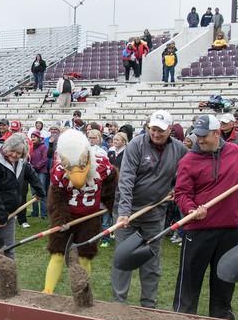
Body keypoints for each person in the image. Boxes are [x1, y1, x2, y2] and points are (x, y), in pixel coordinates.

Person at [173, 114, 238, 319]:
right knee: (189, 278)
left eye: (204, 136)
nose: (201, 140)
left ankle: (221, 319)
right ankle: (181, 319)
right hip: (197, 229)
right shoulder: (189, 160)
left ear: (216, 133)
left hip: (229, 229)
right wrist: (191, 209)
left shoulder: (234, 151)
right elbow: (181, 193)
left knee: (225, 277)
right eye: (198, 136)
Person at [113, 111, 186, 307]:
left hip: (155, 214)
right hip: (128, 213)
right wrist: (124, 213)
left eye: (161, 130)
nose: (156, 133)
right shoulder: (136, 145)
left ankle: (148, 304)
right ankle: (118, 303)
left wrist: (175, 189)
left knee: (151, 262)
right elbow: (126, 180)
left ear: (170, 130)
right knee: (123, 258)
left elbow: (187, 174)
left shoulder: (179, 149)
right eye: (153, 129)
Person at [45, 129, 117, 294]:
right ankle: (47, 292)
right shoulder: (59, 170)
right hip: (67, 216)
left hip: (90, 217)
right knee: (57, 253)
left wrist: (113, 207)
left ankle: (83, 292)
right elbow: (57, 199)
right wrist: (60, 220)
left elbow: (111, 187)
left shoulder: (102, 164)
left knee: (85, 255)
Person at [0, 133, 45, 283]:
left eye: (19, 153)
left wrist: (40, 190)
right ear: (6, 148)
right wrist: (0, 214)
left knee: (7, 250)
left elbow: (31, 174)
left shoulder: (21, 162)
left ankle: (8, 284)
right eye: (13, 151)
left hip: (9, 213)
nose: (15, 155)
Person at [29, 131, 48, 219]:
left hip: (41, 172)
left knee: (41, 191)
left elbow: (44, 159)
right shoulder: (31, 147)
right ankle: (35, 212)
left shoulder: (44, 147)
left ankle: (43, 213)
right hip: (33, 172)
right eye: (32, 137)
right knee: (33, 192)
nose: (33, 138)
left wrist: (36, 166)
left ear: (39, 138)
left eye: (34, 137)